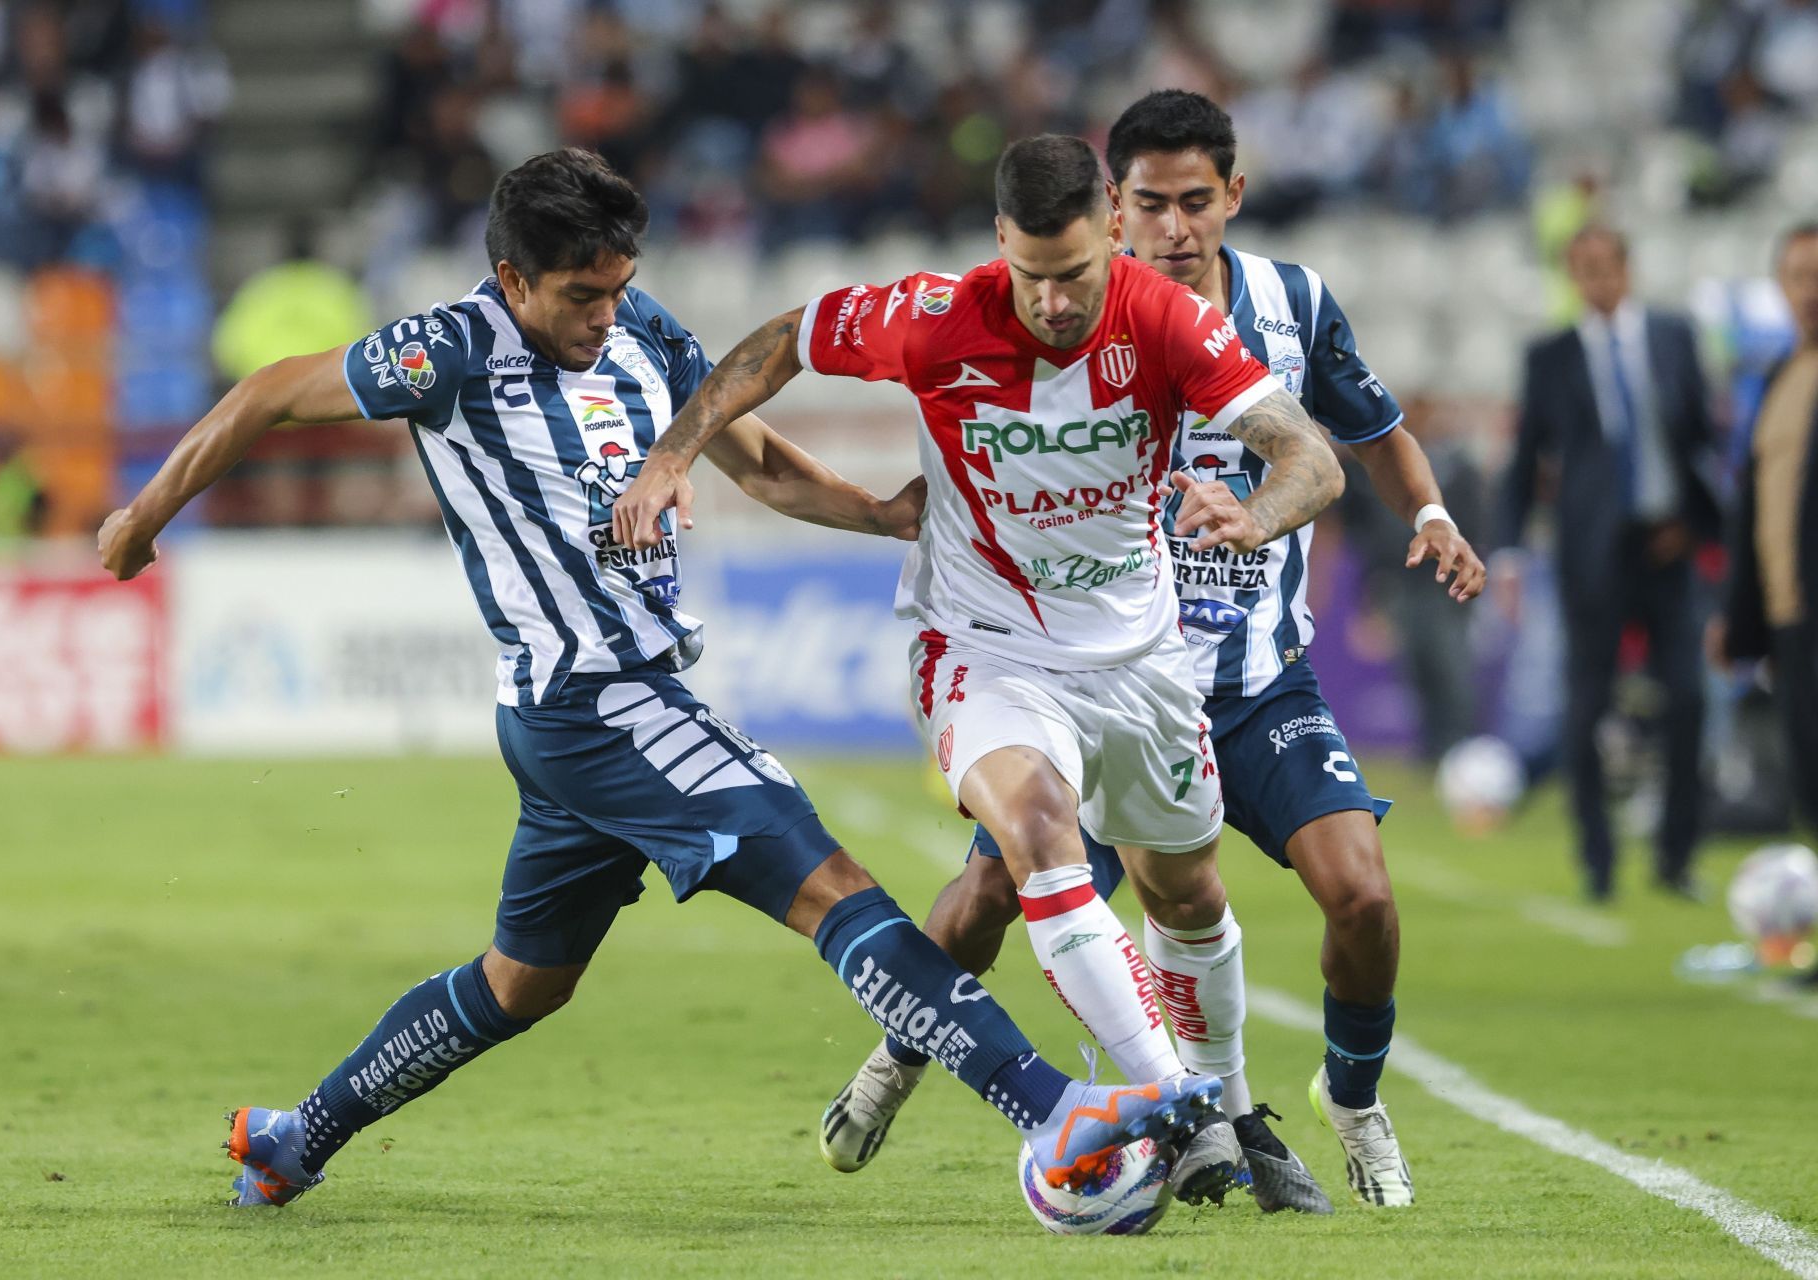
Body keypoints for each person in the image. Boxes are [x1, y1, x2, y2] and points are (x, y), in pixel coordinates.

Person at [96, 148, 1223, 1208]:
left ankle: (300, 1136)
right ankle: (1054, 1110)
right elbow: (272, 391)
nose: (605, 315)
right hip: (599, 702)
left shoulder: (641, 331)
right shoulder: (449, 350)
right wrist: (146, 516)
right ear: (511, 278)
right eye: (581, 297)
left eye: (618, 287)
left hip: (589, 720)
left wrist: (877, 513)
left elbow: (759, 458)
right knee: (834, 885)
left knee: (518, 983)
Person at [613, 133, 1346, 1206]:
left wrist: (1257, 514)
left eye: (1077, 274)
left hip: (1140, 656)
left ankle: (1222, 1097)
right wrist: (675, 451)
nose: (1055, 303)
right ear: (1002, 240)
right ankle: (1180, 1110)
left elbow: (1312, 456)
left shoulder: (1166, 317)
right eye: (1035, 277)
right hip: (981, 641)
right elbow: (785, 338)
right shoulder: (934, 315)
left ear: (1108, 227)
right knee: (1034, 837)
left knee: (1185, 892)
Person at [811, 90, 1482, 1212]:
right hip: (1099, 670)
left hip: (1253, 678)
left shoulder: (1291, 304)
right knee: (984, 901)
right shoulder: (1072, 316)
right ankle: (899, 1056)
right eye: (1151, 204)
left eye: (1195, 202)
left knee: (1361, 895)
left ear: (1233, 196)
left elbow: (1367, 432)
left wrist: (1428, 516)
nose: (1175, 226)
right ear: (1113, 210)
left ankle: (1345, 1102)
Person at [1495, 225, 1723, 902]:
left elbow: (1704, 442)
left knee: (1687, 697)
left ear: (1627, 269)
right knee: (1587, 706)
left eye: (1604, 267)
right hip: (1591, 557)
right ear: (1572, 277)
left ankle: (1677, 856)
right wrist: (1508, 550)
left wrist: (1699, 522)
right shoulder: (1551, 357)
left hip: (1667, 547)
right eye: (1582, 270)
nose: (1595, 281)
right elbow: (1523, 463)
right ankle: (1598, 858)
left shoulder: (1673, 337)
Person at [1713, 222, 1818, 832]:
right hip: (1791, 619)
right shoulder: (1780, 377)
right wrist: (1740, 616)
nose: (1811, 291)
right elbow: (1757, 511)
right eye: (1799, 277)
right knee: (1809, 788)